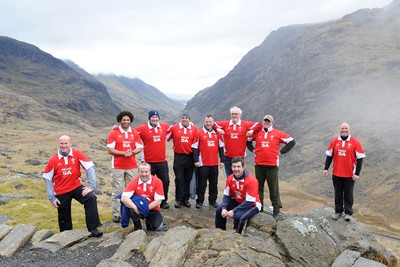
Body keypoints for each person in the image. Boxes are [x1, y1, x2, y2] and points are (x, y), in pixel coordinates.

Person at [42, 135, 103, 237]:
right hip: (61, 190)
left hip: (76, 187)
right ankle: (67, 235)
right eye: (61, 143)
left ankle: (93, 228)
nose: (64, 145)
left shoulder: (77, 153)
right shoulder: (53, 159)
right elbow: (47, 178)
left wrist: (91, 186)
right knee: (63, 215)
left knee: (91, 197)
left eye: (66, 143)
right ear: (59, 144)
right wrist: (52, 197)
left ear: (70, 144)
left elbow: (89, 167)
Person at [246, 114, 295, 219]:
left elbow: (291, 141)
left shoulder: (277, 133)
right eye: (265, 120)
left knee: (274, 189)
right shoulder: (257, 133)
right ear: (262, 121)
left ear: (272, 122)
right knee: (258, 188)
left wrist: (281, 152)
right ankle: (260, 208)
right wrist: (253, 150)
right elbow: (248, 141)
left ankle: (276, 211)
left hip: (272, 165)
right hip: (259, 165)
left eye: (269, 121)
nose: (267, 122)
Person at [323, 122, 365, 221]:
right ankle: (338, 211)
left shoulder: (355, 142)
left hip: (350, 175)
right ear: (339, 129)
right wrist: (326, 168)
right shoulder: (335, 141)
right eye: (342, 128)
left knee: (348, 194)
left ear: (349, 130)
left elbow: (360, 158)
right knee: (337, 193)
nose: (344, 130)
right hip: (336, 173)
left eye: (346, 129)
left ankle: (348, 213)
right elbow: (329, 155)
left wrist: (357, 173)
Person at [107, 111, 144, 223]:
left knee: (132, 190)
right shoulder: (114, 132)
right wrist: (123, 153)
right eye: (124, 120)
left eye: (128, 120)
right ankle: (116, 214)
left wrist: (132, 152)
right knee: (117, 190)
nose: (126, 122)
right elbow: (110, 150)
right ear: (120, 120)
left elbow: (140, 147)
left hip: (132, 166)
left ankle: (132, 211)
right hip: (117, 166)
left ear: (130, 121)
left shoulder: (134, 132)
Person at [215, 157, 261, 234]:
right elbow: (226, 195)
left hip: (252, 204)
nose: (236, 169)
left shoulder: (251, 181)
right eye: (234, 166)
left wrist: (233, 211)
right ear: (231, 167)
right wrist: (224, 208)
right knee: (219, 210)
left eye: (238, 166)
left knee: (239, 217)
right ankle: (220, 232)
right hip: (238, 201)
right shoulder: (230, 178)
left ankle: (236, 235)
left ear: (243, 167)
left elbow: (249, 202)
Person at [135, 110, 170, 209]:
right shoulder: (142, 128)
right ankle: (149, 202)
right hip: (147, 162)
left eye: (156, 117)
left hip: (162, 161)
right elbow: (130, 131)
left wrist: (190, 124)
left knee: (165, 181)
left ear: (158, 118)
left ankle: (163, 201)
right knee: (147, 183)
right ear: (149, 118)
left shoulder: (164, 127)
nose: (154, 119)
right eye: (152, 117)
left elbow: (174, 129)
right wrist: (117, 128)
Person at [214, 106, 261, 177]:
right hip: (227, 157)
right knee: (229, 178)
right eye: (232, 114)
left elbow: (259, 125)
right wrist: (218, 129)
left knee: (239, 178)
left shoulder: (245, 124)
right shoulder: (225, 123)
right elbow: (213, 124)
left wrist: (252, 130)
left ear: (240, 115)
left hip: (240, 157)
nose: (234, 115)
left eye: (236, 114)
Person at [192, 115, 224, 209]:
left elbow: (221, 147)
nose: (208, 124)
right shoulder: (199, 132)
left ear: (213, 123)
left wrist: (222, 160)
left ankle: (213, 201)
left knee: (214, 183)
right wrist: (196, 160)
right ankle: (200, 201)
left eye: (210, 122)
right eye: (207, 122)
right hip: (202, 164)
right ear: (204, 122)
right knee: (201, 184)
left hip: (214, 163)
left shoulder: (217, 133)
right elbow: (194, 147)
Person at [120, 162, 164, 231]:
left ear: (150, 172)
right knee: (128, 203)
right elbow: (124, 198)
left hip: (152, 209)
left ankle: (148, 220)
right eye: (142, 172)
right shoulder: (134, 181)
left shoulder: (157, 181)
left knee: (158, 228)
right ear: (138, 172)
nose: (144, 174)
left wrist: (145, 209)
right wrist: (135, 208)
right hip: (138, 209)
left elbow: (158, 201)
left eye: (146, 172)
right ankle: (137, 224)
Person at [166, 113, 198, 208]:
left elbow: (196, 144)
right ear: (181, 119)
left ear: (189, 119)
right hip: (179, 157)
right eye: (183, 118)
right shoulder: (174, 128)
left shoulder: (194, 129)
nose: (184, 119)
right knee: (179, 178)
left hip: (190, 157)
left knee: (188, 179)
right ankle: (178, 199)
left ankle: (186, 199)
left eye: (186, 118)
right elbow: (165, 136)